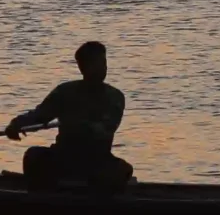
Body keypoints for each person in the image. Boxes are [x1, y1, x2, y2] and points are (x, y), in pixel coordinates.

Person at [7, 41, 132, 190]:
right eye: (96, 63)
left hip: (97, 160)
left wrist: (82, 125)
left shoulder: (114, 97)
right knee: (33, 156)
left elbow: (107, 128)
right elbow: (40, 114)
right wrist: (16, 124)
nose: (103, 68)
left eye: (104, 62)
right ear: (83, 68)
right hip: (64, 156)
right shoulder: (65, 92)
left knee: (121, 171)